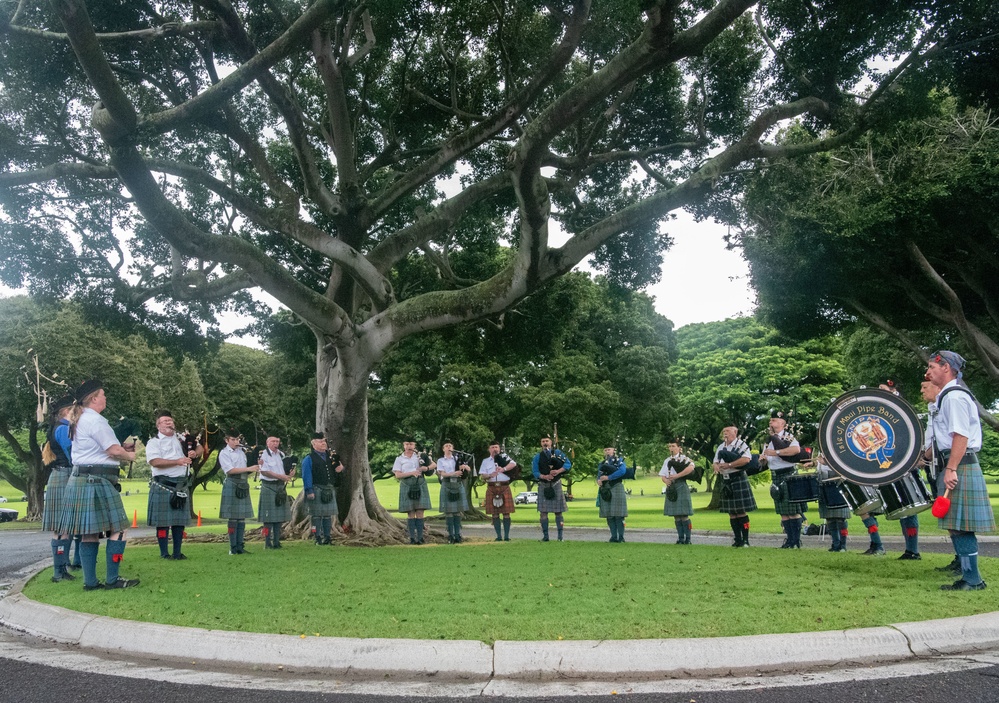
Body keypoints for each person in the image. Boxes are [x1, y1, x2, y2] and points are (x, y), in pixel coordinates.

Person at [57, 379, 138, 590]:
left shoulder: (80, 419)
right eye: (103, 394)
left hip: (82, 479)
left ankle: (90, 582)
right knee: (119, 530)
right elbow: (113, 451)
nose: (105, 398)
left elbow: (95, 448)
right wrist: (130, 455)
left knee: (88, 534)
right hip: (97, 480)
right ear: (94, 398)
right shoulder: (96, 420)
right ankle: (112, 579)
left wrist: (120, 445)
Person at [925, 351, 995, 591]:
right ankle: (969, 576)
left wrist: (951, 468)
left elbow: (960, 435)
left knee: (962, 524)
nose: (927, 372)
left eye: (932, 367)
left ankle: (973, 579)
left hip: (960, 463)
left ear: (946, 368)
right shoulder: (947, 397)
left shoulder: (954, 397)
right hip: (956, 462)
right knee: (956, 523)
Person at [145, 410, 202, 560]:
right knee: (162, 523)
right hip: (163, 484)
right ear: (158, 426)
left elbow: (201, 447)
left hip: (181, 483)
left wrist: (194, 453)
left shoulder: (182, 439)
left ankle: (177, 552)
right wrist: (177, 461)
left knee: (178, 522)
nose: (169, 423)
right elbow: (154, 462)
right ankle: (164, 553)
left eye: (170, 421)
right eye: (165, 421)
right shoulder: (154, 442)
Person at [42, 392, 78, 582]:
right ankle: (59, 571)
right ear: (67, 411)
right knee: (62, 527)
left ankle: (60, 570)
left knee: (61, 527)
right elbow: (72, 455)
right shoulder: (64, 429)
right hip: (65, 475)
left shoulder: (57, 427)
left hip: (59, 476)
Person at [762, 412, 807, 549]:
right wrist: (763, 459)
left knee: (793, 511)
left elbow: (795, 450)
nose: (771, 422)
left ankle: (796, 541)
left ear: (782, 423)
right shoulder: (769, 440)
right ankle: (789, 540)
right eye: (770, 420)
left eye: (774, 420)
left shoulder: (788, 437)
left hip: (788, 474)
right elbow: (767, 457)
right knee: (783, 512)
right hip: (776, 474)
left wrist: (776, 452)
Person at [713, 426, 756, 547]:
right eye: (723, 432)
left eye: (727, 431)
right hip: (726, 480)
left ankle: (746, 540)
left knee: (741, 512)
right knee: (732, 512)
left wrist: (729, 464)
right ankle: (737, 539)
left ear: (735, 432)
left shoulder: (741, 445)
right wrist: (716, 467)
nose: (725, 434)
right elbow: (715, 461)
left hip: (738, 478)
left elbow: (746, 460)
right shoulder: (721, 447)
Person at [217, 428, 258, 555]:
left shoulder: (241, 451)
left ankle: (240, 546)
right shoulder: (224, 453)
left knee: (241, 518)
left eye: (237, 439)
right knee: (233, 518)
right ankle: (232, 547)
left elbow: (246, 468)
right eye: (233, 440)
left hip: (243, 483)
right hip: (232, 482)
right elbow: (230, 470)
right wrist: (249, 468)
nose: (236, 442)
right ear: (227, 440)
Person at [301, 432, 345, 545]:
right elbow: (307, 476)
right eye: (320, 442)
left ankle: (327, 538)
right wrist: (309, 490)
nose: (323, 444)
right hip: (316, 489)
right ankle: (317, 538)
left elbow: (335, 471)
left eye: (324, 441)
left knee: (327, 515)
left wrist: (340, 469)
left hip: (329, 488)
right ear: (313, 444)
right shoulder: (309, 458)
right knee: (316, 516)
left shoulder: (330, 457)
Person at [532, 434, 571, 542]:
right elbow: (535, 472)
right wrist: (544, 476)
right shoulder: (537, 457)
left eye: (547, 441)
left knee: (558, 512)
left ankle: (560, 536)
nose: (545, 443)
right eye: (543, 441)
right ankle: (545, 536)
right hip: (543, 485)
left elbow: (568, 464)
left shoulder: (558, 453)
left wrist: (558, 471)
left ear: (551, 442)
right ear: (541, 443)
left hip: (556, 484)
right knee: (543, 512)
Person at [393, 439, 433, 544]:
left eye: (411, 444)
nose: (409, 446)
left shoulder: (420, 456)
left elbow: (434, 465)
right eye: (406, 444)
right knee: (410, 512)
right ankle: (412, 538)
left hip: (420, 484)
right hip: (406, 485)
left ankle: (420, 538)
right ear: (403, 445)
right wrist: (411, 473)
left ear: (414, 445)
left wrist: (426, 468)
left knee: (420, 512)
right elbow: (398, 475)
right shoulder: (399, 458)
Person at [257, 436, 293, 549]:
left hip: (280, 487)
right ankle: (267, 543)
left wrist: (290, 473)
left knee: (278, 518)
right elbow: (264, 471)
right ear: (267, 443)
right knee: (267, 519)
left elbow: (286, 470)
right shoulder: (263, 455)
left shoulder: (281, 455)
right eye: (273, 441)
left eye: (277, 441)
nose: (275, 443)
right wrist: (280, 476)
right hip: (268, 486)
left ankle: (276, 542)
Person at [659, 439, 695, 545]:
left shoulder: (685, 459)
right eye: (670, 446)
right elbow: (662, 475)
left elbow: (691, 469)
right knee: (676, 515)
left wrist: (677, 476)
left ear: (679, 448)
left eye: (673, 446)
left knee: (684, 515)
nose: (671, 448)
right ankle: (680, 538)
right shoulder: (667, 460)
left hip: (681, 484)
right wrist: (666, 481)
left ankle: (688, 539)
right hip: (671, 486)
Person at [479, 441, 517, 541]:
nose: (495, 449)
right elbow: (483, 475)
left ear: (499, 449)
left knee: (506, 513)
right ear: (489, 449)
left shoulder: (504, 457)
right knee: (494, 513)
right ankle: (499, 536)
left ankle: (507, 536)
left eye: (496, 447)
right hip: (491, 487)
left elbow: (513, 464)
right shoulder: (485, 461)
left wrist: (503, 469)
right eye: (492, 447)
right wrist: (490, 475)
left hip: (504, 486)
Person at [813, 453, 850, 552]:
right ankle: (835, 544)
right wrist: (814, 464)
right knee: (830, 519)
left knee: (840, 520)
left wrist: (825, 463)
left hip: (837, 485)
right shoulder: (821, 451)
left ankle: (843, 545)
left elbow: (842, 466)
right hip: (823, 484)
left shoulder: (837, 450)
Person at [436, 441, 470, 543]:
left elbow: (468, 469)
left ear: (453, 448)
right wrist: (454, 473)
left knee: (457, 511)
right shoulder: (441, 460)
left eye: (450, 445)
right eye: (446, 446)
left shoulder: (458, 459)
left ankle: (458, 535)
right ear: (443, 449)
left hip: (458, 484)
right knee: (449, 512)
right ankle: (450, 535)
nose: (448, 447)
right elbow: (442, 474)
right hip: (447, 484)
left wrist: (466, 467)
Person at [597, 446, 628, 543]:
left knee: (619, 515)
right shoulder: (602, 463)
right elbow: (599, 474)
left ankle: (621, 537)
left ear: (614, 450)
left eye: (609, 449)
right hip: (606, 489)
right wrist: (599, 480)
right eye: (605, 450)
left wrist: (609, 477)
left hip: (616, 486)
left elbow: (622, 471)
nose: (607, 452)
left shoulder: (619, 461)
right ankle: (613, 537)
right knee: (609, 514)